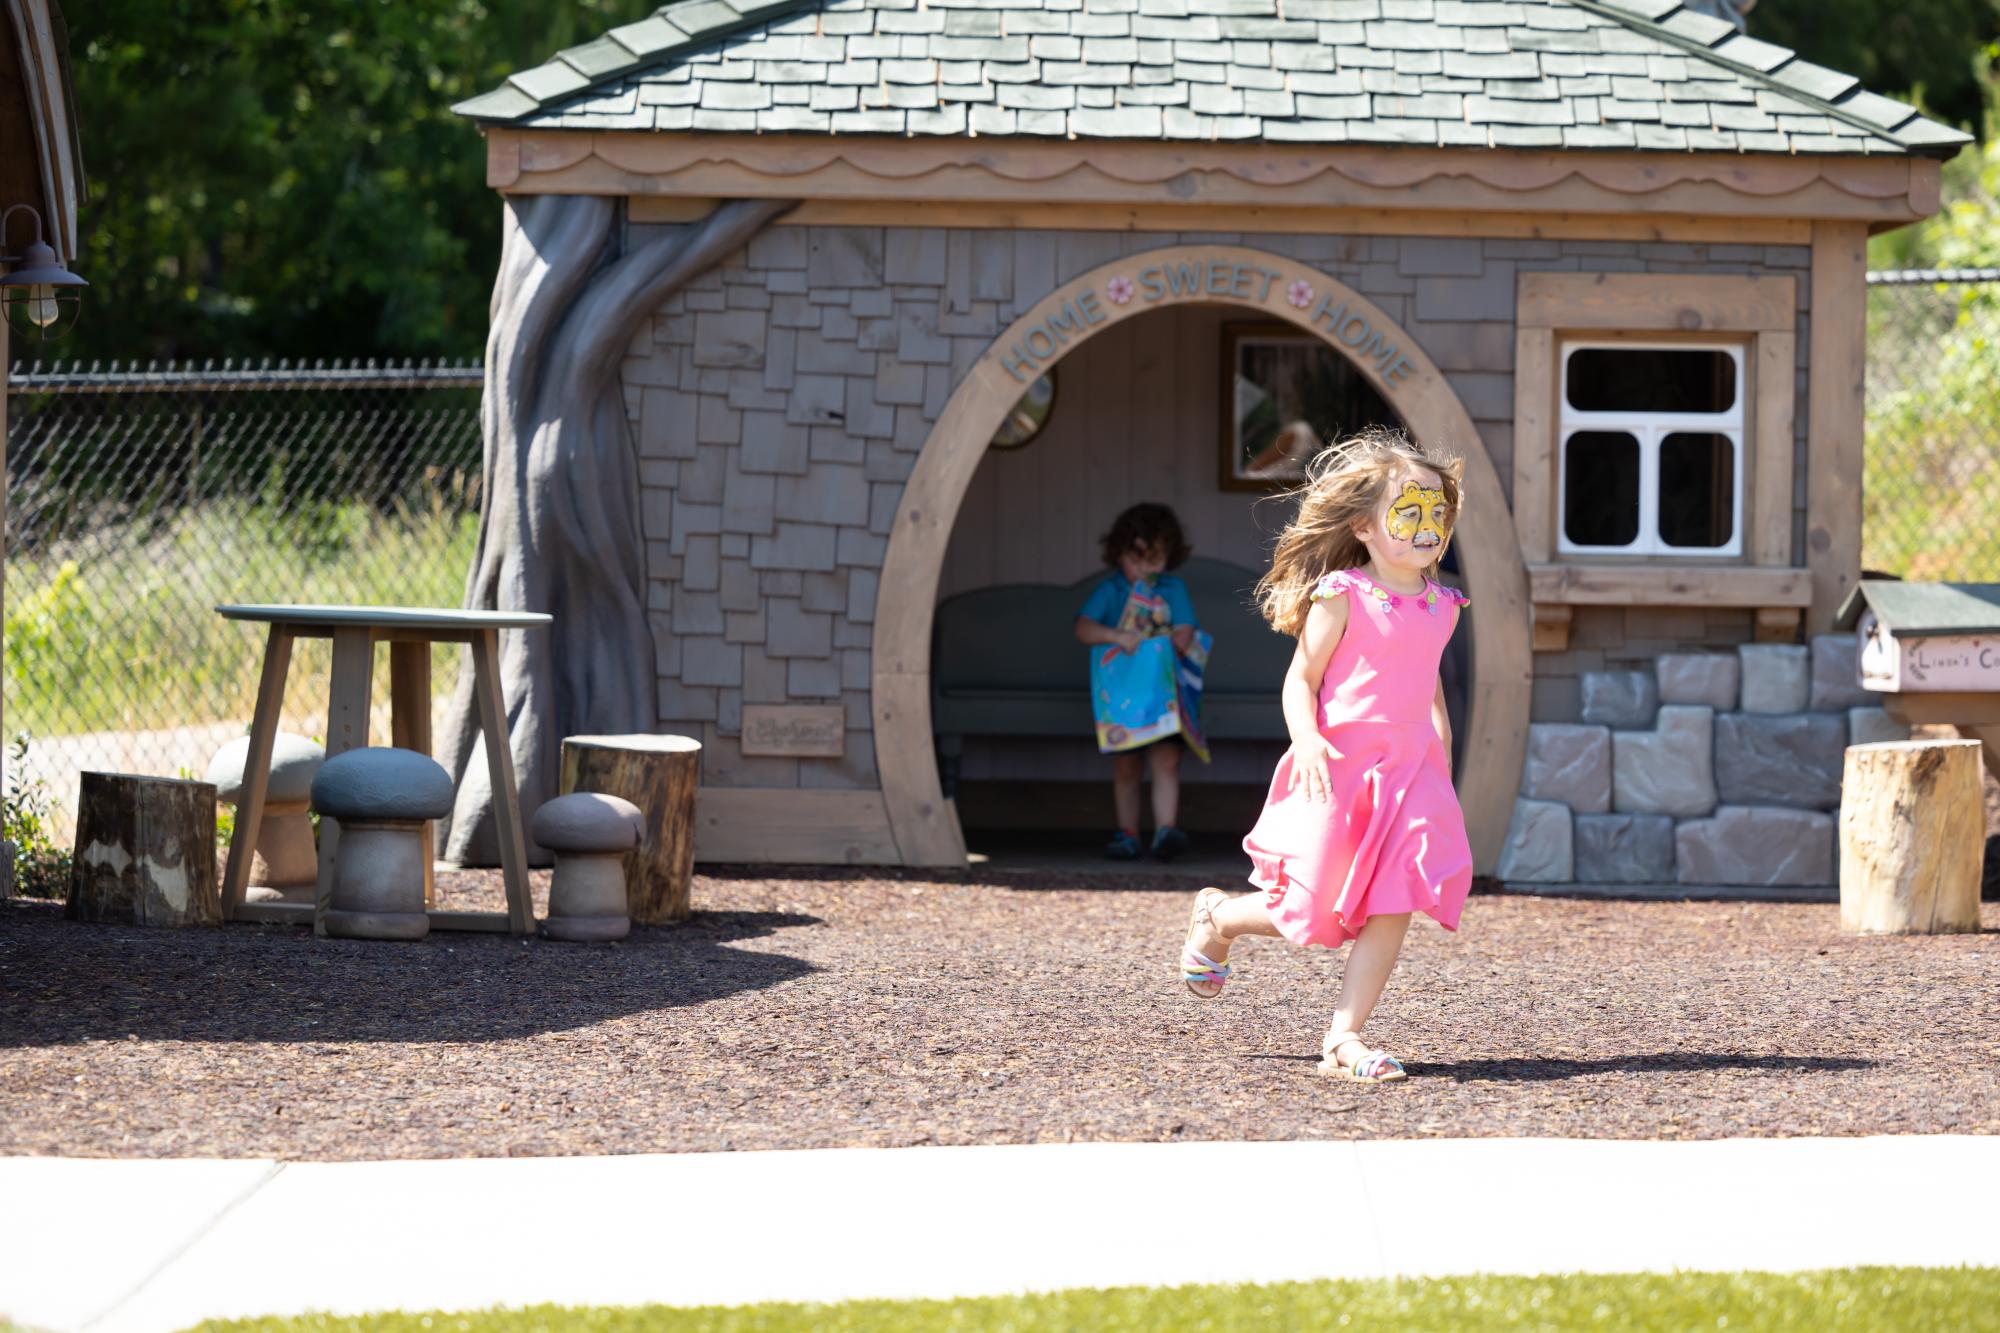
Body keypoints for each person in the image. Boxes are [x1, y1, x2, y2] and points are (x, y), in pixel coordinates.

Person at [1177, 428, 1471, 1082]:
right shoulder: (1343, 594)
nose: (1427, 527)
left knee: (1399, 892)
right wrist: (1306, 737)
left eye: (1436, 514)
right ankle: (1219, 915)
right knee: (1313, 911)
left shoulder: (1442, 606)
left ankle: (1344, 1036)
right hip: (1339, 768)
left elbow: (1430, 691)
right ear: (1365, 525)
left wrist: (1442, 763)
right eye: (1409, 512)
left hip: (1412, 774)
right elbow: (1300, 679)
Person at [1074, 502, 1199, 861]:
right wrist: (1116, 635)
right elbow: (1083, 628)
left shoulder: (1173, 589)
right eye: (1136, 559)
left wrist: (1175, 636)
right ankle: (1127, 832)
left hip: (1164, 694)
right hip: (1122, 697)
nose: (1145, 569)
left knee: (1166, 759)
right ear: (1119, 554)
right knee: (1126, 764)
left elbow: (1186, 629)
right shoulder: (1112, 590)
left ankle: (1165, 830)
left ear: (1169, 557)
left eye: (1155, 560)